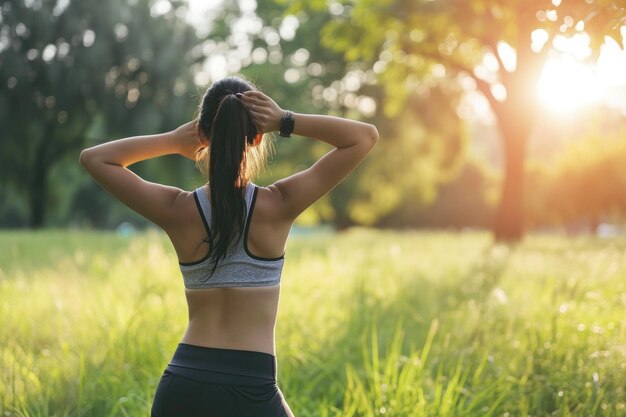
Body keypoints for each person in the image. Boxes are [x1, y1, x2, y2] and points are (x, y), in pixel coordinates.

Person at [79, 75, 379, 417]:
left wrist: (174, 140)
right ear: (255, 139)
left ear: (203, 136)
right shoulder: (280, 204)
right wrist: (285, 120)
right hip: (251, 387)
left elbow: (94, 158)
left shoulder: (178, 210)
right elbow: (363, 137)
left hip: (182, 385)